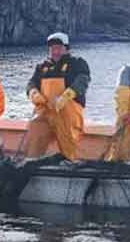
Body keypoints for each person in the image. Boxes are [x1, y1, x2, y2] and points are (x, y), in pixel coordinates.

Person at [24, 32, 91, 161]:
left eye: (59, 48)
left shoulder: (77, 63)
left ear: (66, 48)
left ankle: (70, 163)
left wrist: (66, 96)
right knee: (35, 133)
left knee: (69, 141)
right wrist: (34, 93)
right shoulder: (42, 67)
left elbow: (83, 80)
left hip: (67, 113)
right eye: (52, 48)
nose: (55, 51)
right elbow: (31, 83)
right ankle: (31, 162)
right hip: (45, 111)